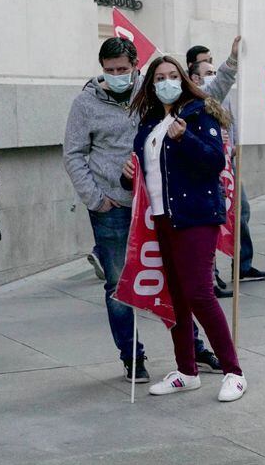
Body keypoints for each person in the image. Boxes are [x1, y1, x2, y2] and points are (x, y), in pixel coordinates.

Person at [122, 56, 246, 402]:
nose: (167, 82)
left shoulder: (197, 113)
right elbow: (145, 173)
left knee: (200, 294)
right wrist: (126, 174)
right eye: (160, 77)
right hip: (161, 219)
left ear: (182, 79)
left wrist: (184, 139)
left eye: (173, 75)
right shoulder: (148, 124)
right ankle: (187, 371)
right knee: (176, 297)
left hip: (196, 216)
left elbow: (214, 161)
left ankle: (233, 371)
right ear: (150, 84)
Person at [63, 37, 150, 382]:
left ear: (135, 66)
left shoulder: (151, 91)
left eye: (122, 70)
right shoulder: (85, 103)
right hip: (111, 208)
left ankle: (192, 347)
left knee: (171, 279)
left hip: (152, 203)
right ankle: (132, 356)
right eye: (109, 70)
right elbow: (72, 154)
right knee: (117, 285)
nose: (116, 75)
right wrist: (96, 198)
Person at [187, 45, 265, 284]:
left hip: (228, 165)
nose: (213, 72)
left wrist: (234, 148)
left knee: (241, 211)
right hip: (206, 170)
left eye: (214, 65)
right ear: (193, 74)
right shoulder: (192, 99)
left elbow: (230, 123)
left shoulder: (222, 96)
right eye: (206, 66)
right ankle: (210, 275)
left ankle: (242, 265)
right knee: (210, 220)